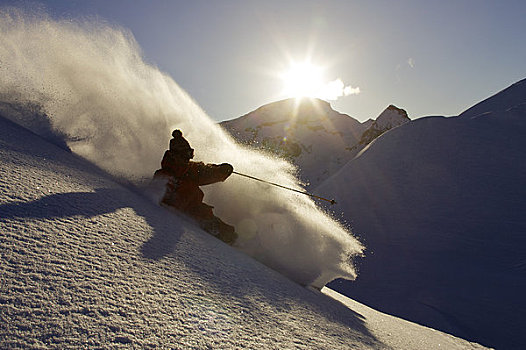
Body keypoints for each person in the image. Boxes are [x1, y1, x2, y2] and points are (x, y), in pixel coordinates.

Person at [153, 130, 238, 245]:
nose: (189, 157)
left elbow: (204, 171)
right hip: (192, 218)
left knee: (229, 232)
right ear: (177, 155)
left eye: (190, 153)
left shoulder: (187, 168)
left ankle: (237, 243)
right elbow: (168, 201)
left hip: (201, 214)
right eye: (187, 154)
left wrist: (221, 171)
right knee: (224, 234)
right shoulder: (166, 176)